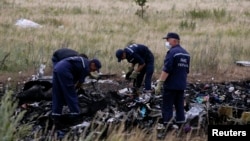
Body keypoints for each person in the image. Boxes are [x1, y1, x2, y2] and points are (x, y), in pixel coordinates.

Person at [52, 56, 101, 128]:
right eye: (95, 69)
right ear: (93, 64)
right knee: (71, 94)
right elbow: (80, 82)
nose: (93, 71)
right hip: (65, 70)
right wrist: (75, 89)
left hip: (57, 67)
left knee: (57, 93)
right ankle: (75, 116)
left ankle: (56, 116)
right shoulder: (86, 67)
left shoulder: (83, 62)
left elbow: (74, 77)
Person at [155, 32, 190, 127]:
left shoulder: (172, 53)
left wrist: (160, 83)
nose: (167, 42)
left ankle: (168, 127)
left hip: (171, 86)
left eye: (168, 40)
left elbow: (167, 69)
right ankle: (181, 127)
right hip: (181, 85)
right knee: (180, 107)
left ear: (175, 41)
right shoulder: (186, 54)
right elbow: (186, 70)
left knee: (167, 106)